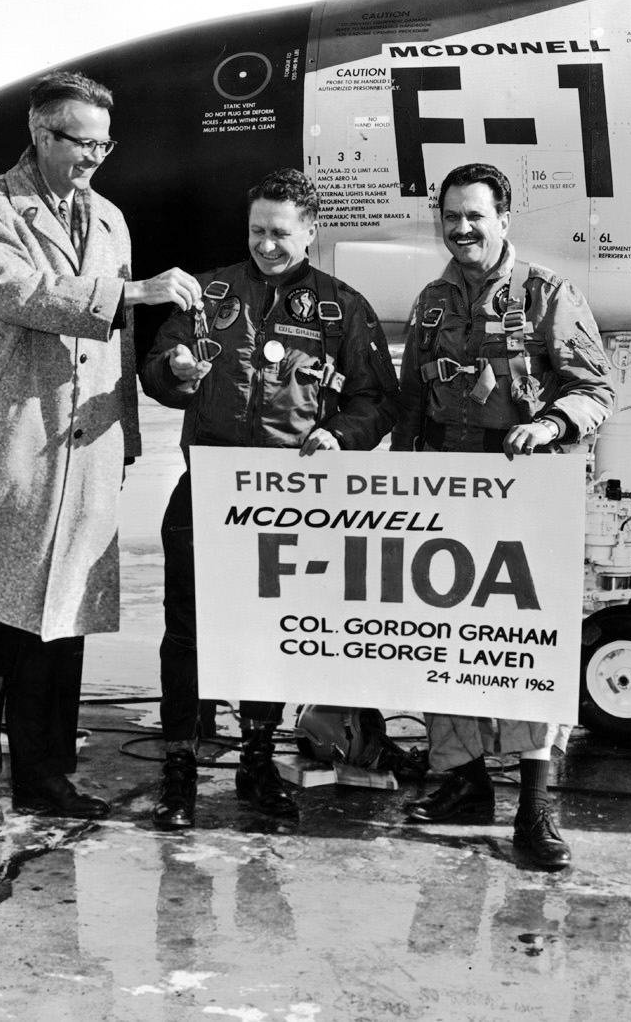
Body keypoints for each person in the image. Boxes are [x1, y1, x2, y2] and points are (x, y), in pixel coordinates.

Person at [0, 71, 202, 836]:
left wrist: (125, 428)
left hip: (87, 450)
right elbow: (19, 292)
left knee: (60, 621)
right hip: (12, 441)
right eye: (79, 142)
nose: (93, 158)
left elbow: (121, 347)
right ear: (39, 133)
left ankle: (45, 776)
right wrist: (133, 294)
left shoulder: (110, 218)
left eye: (104, 145)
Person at [140, 168, 399, 829]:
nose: (267, 245)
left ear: (310, 233)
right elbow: (160, 367)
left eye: (281, 233)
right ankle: (179, 768)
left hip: (290, 500)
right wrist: (173, 371)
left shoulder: (344, 307)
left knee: (271, 636)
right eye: (257, 231)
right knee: (186, 635)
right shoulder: (212, 294)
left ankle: (257, 760)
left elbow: (377, 400)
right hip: (209, 491)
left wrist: (340, 436)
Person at [391, 162, 613, 870]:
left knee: (526, 648)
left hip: (524, 494)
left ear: (504, 218)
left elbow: (594, 389)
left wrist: (550, 425)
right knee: (448, 640)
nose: (461, 229)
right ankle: (462, 782)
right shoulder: (430, 303)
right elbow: (409, 405)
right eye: (451, 217)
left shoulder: (548, 295)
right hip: (447, 493)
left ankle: (535, 807)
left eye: (474, 216)